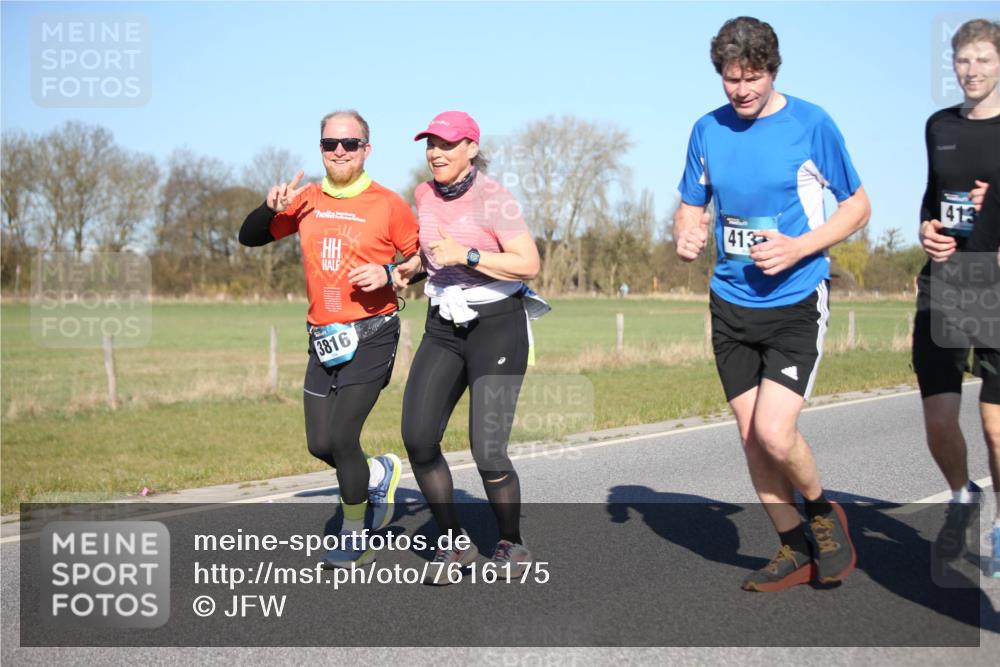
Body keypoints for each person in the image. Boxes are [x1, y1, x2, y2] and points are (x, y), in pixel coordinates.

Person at [674, 17, 871, 591]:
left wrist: (799, 247)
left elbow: (858, 207)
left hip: (793, 301)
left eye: (752, 77)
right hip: (730, 304)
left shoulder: (811, 124)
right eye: (731, 79)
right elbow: (691, 204)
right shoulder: (706, 130)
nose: (741, 90)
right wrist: (686, 232)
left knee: (776, 433)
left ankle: (821, 514)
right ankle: (791, 547)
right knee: (749, 435)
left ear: (772, 70)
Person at [238, 110, 418, 567]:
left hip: (374, 332)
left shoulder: (388, 204)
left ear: (366, 150)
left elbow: (423, 261)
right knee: (319, 444)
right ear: (320, 148)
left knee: (342, 436)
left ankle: (355, 529)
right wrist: (269, 210)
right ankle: (379, 472)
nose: (339, 150)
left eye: (350, 143)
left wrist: (389, 273)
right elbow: (249, 238)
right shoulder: (306, 199)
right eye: (330, 143)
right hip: (324, 337)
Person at [393, 111, 546, 584]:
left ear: (471, 149)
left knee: (488, 451)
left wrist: (468, 256)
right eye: (430, 144)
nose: (436, 152)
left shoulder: (494, 198)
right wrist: (410, 269)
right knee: (418, 438)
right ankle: (454, 545)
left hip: (497, 326)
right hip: (443, 324)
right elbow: (432, 251)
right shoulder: (423, 194)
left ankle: (511, 544)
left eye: (447, 144)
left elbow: (529, 263)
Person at [913, 18, 1000, 572]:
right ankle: (963, 495)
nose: (972, 71)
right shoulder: (938, 125)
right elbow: (932, 199)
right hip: (943, 285)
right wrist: (925, 227)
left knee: (995, 426)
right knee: (940, 419)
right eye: (963, 61)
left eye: (983, 61)